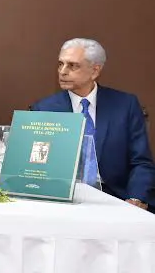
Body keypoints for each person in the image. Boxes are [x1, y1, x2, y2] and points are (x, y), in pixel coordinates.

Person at [31, 38, 154, 210]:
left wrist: (136, 199)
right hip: (63, 201)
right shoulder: (44, 109)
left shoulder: (125, 105)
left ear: (95, 71)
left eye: (72, 66)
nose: (62, 72)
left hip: (117, 199)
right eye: (60, 64)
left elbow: (141, 162)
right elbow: (37, 165)